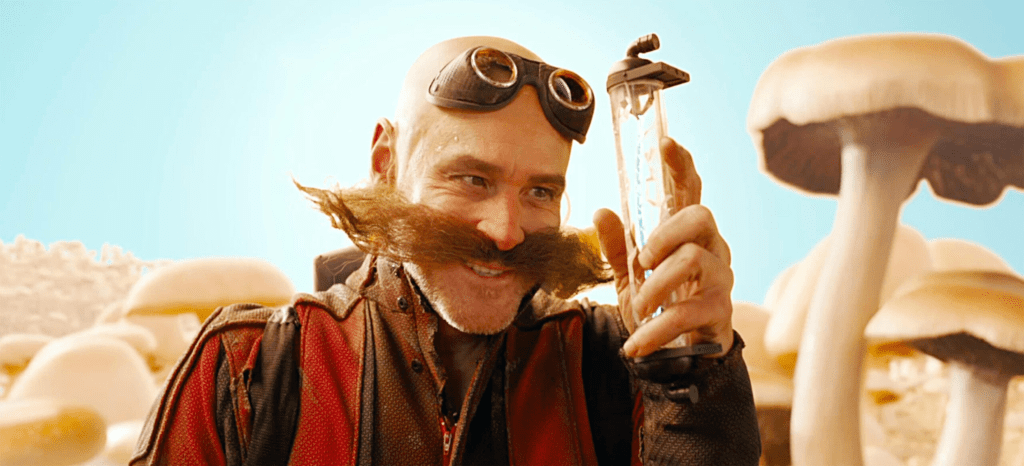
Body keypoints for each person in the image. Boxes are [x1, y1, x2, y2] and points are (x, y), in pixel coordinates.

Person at [131, 36, 760, 466]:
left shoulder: (610, 364)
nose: (506, 232)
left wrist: (692, 381)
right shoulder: (247, 372)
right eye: (471, 180)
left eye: (540, 191)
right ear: (386, 164)